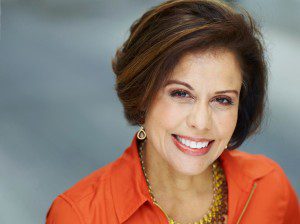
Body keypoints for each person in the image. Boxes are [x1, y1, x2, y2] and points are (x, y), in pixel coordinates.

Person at [45, 0, 299, 223]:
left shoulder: (268, 187)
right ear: (143, 97)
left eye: (222, 100)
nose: (201, 122)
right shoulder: (79, 216)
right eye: (181, 94)